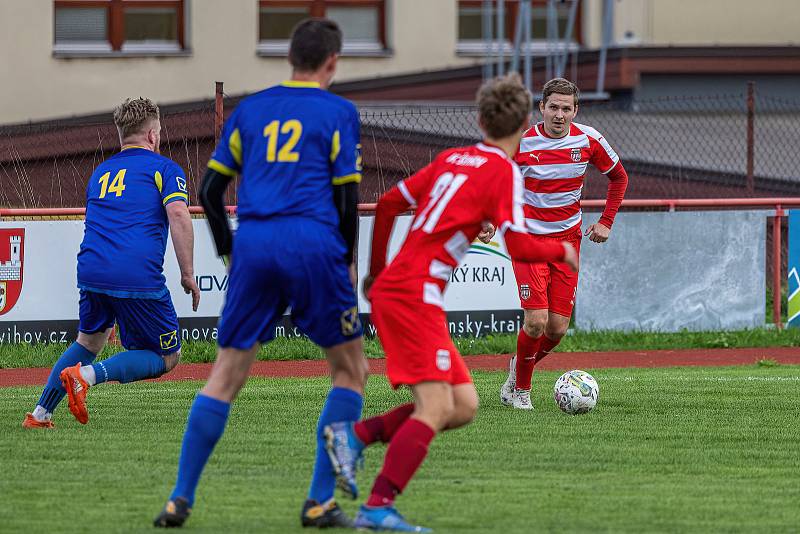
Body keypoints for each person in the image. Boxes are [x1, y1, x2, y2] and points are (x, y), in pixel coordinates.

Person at [323, 74, 578, 532]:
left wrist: (376, 272)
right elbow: (520, 246)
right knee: (436, 407)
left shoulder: (452, 158)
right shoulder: (503, 171)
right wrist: (560, 251)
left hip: (406, 291)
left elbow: (385, 205)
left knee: (461, 406)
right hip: (410, 296)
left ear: (480, 120)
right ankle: (377, 508)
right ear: (525, 124)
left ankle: (355, 436)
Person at [153, 19, 368, 529]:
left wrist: (230, 251)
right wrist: (347, 259)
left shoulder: (251, 110)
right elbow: (346, 196)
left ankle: (179, 498)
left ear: (289, 58)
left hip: (255, 245)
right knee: (350, 371)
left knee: (225, 375)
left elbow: (207, 192)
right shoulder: (339, 111)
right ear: (332, 62)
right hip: (313, 243)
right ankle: (319, 502)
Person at [22, 97, 200, 429]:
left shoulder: (101, 173)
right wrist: (188, 273)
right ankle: (85, 377)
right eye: (158, 132)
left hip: (91, 269)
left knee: (89, 341)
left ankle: (40, 414)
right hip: (134, 274)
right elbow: (178, 213)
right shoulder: (164, 169)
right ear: (152, 135)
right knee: (167, 356)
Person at [490, 77, 629, 410]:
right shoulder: (521, 142)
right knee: (536, 320)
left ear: (575, 110)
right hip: (528, 239)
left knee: (557, 328)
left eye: (566, 109)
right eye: (553, 107)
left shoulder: (589, 139)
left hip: (567, 242)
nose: (559, 115)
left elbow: (619, 177)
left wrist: (607, 221)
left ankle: (517, 368)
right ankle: (520, 392)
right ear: (541, 108)